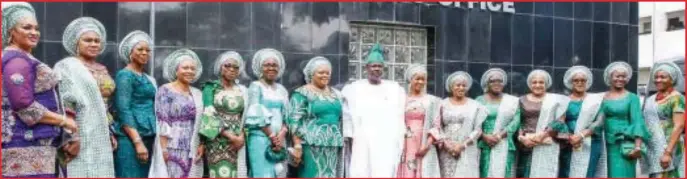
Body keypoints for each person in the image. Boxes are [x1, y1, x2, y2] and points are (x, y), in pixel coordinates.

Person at [1, 2, 77, 177]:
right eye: (26, 28)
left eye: (36, 28)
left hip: (34, 145)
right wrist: (64, 121)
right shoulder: (16, 61)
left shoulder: (23, 57)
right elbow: (23, 105)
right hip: (24, 146)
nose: (34, 33)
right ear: (11, 31)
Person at [53, 16, 115, 177]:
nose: (94, 44)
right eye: (88, 40)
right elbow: (65, 103)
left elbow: (105, 104)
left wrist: (109, 132)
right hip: (79, 128)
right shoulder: (67, 66)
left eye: (97, 40)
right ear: (76, 43)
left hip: (100, 131)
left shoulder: (102, 68)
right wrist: (71, 137)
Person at [342, 44, 406, 177]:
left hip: (385, 139)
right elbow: (346, 114)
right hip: (362, 139)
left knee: (384, 170)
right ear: (366, 68)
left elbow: (399, 115)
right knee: (361, 170)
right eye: (373, 66)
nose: (376, 69)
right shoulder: (354, 89)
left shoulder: (394, 89)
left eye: (379, 66)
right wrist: (349, 135)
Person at [148, 49, 205, 178]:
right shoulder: (165, 90)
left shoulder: (197, 93)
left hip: (192, 146)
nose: (189, 71)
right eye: (185, 68)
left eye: (192, 68)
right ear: (176, 70)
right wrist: (163, 149)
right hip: (172, 146)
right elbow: (163, 120)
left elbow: (202, 122)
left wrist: (201, 144)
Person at [287, 56, 345, 177]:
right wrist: (297, 145)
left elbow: (340, 119)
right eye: (321, 72)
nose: (325, 75)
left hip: (333, 143)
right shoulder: (302, 93)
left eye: (328, 73)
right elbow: (294, 121)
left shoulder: (337, 94)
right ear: (311, 74)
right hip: (310, 144)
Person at [113, 30, 157, 178]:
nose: (145, 53)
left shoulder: (146, 77)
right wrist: (137, 142)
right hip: (131, 140)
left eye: (147, 50)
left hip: (148, 136)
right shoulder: (125, 75)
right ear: (130, 53)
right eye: (140, 49)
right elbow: (123, 109)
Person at [199, 51, 249, 178]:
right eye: (227, 65)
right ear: (220, 67)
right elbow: (208, 114)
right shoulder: (210, 88)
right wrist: (231, 137)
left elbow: (246, 116)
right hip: (217, 140)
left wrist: (241, 137)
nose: (232, 69)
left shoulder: (242, 90)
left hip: (238, 142)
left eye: (236, 67)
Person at [599, 61, 651, 178]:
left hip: (625, 144)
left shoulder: (632, 98)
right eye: (617, 76)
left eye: (624, 76)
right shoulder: (602, 97)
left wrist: (637, 147)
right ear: (610, 77)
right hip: (605, 145)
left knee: (623, 174)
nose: (621, 79)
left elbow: (637, 121)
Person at [244, 48, 290, 178]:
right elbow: (255, 113)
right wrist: (271, 136)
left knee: (279, 172)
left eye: (274, 65)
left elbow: (288, 115)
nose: (271, 68)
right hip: (260, 139)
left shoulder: (282, 90)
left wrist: (281, 135)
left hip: (280, 141)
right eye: (267, 65)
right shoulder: (255, 86)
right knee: (262, 174)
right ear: (260, 68)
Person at [514, 69, 569, 178]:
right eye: (534, 82)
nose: (537, 85)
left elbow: (560, 120)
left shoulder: (556, 100)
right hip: (527, 144)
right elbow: (517, 121)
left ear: (546, 84)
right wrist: (521, 138)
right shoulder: (521, 100)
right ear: (530, 84)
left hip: (548, 142)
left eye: (541, 82)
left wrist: (542, 136)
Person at [434, 71, 486, 178]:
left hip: (467, 148)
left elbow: (478, 130)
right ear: (451, 87)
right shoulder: (442, 104)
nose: (461, 88)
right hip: (447, 149)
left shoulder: (476, 106)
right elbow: (437, 126)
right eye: (458, 85)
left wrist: (462, 145)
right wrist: (447, 145)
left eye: (464, 85)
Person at [559, 66, 607, 178]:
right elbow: (560, 122)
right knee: (567, 172)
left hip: (590, 142)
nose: (580, 83)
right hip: (569, 143)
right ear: (571, 82)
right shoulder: (564, 101)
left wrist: (581, 135)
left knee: (587, 173)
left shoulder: (596, 100)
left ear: (587, 82)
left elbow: (600, 121)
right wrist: (569, 137)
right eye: (576, 80)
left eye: (583, 80)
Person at [396, 64, 441, 178]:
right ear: (410, 80)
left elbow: (436, 125)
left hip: (424, 141)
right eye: (417, 79)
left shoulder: (432, 101)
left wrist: (427, 145)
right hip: (405, 143)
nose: (420, 82)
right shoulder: (401, 99)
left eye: (423, 79)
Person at [641, 61, 685, 178]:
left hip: (669, 144)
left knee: (667, 174)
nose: (658, 80)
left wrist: (668, 152)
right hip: (653, 146)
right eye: (656, 77)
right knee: (656, 174)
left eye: (663, 77)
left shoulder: (677, 98)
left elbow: (679, 126)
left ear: (672, 79)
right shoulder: (651, 99)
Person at [476, 68, 521, 178]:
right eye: (493, 81)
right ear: (487, 83)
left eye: (500, 81)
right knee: (485, 172)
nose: (497, 83)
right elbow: (474, 122)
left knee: (504, 173)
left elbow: (516, 120)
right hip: (485, 143)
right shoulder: (479, 100)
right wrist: (484, 136)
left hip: (504, 141)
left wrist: (500, 135)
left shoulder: (512, 101)